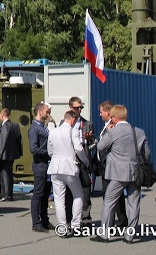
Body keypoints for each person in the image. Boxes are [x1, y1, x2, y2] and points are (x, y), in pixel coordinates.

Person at [91, 104, 151, 244]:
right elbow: (147, 154)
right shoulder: (139, 132)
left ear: (114, 118)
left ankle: (105, 234)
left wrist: (107, 133)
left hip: (118, 173)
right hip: (134, 171)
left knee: (109, 202)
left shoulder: (113, 132)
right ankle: (130, 235)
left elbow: (100, 147)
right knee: (134, 203)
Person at [48, 110, 86, 237]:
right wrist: (85, 161)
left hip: (55, 167)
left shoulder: (53, 132)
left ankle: (62, 226)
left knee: (59, 199)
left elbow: (50, 151)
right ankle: (75, 225)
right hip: (69, 167)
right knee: (78, 195)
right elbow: (79, 149)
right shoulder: (73, 131)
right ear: (73, 120)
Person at [62, 96, 94, 229]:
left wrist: (89, 139)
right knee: (69, 193)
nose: (79, 110)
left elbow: (93, 143)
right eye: (77, 107)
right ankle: (69, 220)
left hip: (83, 162)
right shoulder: (63, 124)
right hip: (70, 161)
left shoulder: (87, 124)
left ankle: (85, 219)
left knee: (85, 192)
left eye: (81, 107)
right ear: (71, 108)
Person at [95, 100, 126, 228]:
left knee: (111, 195)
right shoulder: (107, 126)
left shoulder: (112, 127)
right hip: (104, 165)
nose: (100, 114)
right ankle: (115, 221)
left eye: (101, 112)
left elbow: (104, 145)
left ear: (108, 113)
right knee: (111, 195)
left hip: (110, 165)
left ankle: (114, 223)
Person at [29, 102, 52, 232]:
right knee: (38, 194)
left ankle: (44, 220)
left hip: (47, 165)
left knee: (45, 194)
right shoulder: (34, 129)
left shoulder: (43, 127)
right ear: (40, 112)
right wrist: (49, 153)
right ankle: (36, 223)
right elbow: (33, 148)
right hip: (40, 165)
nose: (48, 114)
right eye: (47, 111)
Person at [0, 108, 22, 201]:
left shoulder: (5, 126)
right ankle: (10, 194)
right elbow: (19, 140)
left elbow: (3, 141)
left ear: (2, 116)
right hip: (12, 154)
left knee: (5, 175)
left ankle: (6, 195)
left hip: (4, 155)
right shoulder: (15, 125)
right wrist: (19, 152)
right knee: (10, 174)